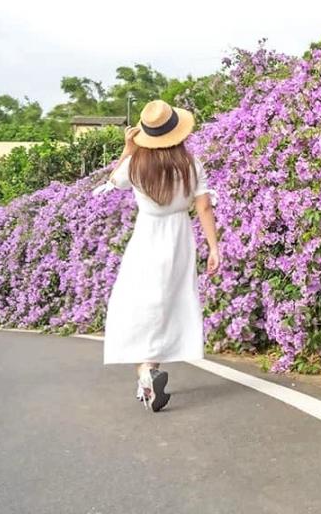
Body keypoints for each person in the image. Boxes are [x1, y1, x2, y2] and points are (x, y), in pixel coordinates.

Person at [96, 99, 219, 412]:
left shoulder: (136, 164)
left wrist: (128, 148)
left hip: (147, 235)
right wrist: (214, 248)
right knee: (168, 301)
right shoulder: (191, 164)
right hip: (179, 237)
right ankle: (148, 372)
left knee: (140, 301)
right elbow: (203, 206)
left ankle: (145, 370)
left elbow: (112, 182)